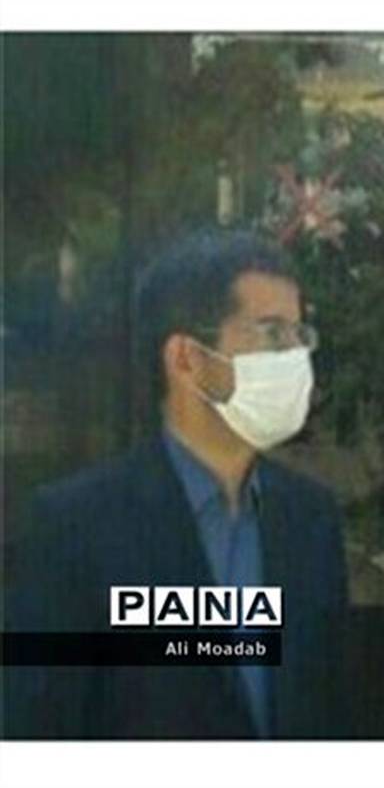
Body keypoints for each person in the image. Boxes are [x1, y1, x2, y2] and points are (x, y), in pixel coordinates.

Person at [3, 228, 349, 739]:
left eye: (301, 334)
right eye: (273, 333)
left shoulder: (310, 519)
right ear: (187, 358)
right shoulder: (78, 527)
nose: (296, 356)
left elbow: (329, 709)